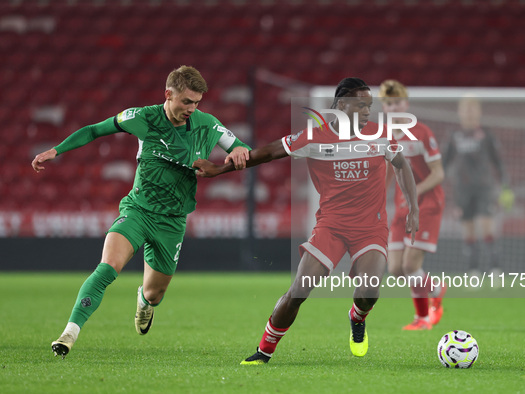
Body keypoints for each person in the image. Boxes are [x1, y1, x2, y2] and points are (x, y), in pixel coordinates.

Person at [194, 77, 419, 364]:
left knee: (369, 291)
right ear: (340, 106)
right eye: (361, 105)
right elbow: (265, 154)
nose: (367, 112)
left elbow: (402, 165)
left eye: (369, 106)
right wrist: (216, 170)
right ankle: (264, 351)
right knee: (299, 290)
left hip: (370, 228)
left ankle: (357, 316)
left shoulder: (382, 135)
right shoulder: (313, 137)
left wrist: (413, 208)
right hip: (331, 227)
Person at [31, 65, 251, 359]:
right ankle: (69, 333)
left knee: (154, 293)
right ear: (168, 95)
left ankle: (144, 303)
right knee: (107, 268)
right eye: (187, 101)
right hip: (138, 210)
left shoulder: (207, 124)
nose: (192, 108)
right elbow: (95, 130)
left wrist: (239, 150)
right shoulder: (142, 117)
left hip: (172, 221)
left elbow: (240, 146)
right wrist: (55, 151)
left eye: (197, 102)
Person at [379, 80, 446, 330]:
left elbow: (439, 174)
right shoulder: (384, 136)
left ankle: (422, 319)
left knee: (410, 265)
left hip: (427, 203)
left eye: (397, 102)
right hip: (402, 205)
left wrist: (415, 191)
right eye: (388, 103)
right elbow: (387, 169)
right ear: (384, 108)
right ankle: (436, 289)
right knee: (395, 269)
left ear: (406, 104)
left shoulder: (422, 133)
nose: (393, 107)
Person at [442, 95, 514, 277]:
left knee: (486, 225)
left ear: (479, 112)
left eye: (472, 109)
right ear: (459, 113)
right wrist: (437, 185)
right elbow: (444, 163)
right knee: (468, 229)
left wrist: (505, 186)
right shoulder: (454, 136)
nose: (469, 113)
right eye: (465, 109)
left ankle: (495, 269)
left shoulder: (487, 135)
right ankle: (473, 269)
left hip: (484, 188)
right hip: (462, 189)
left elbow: (498, 162)